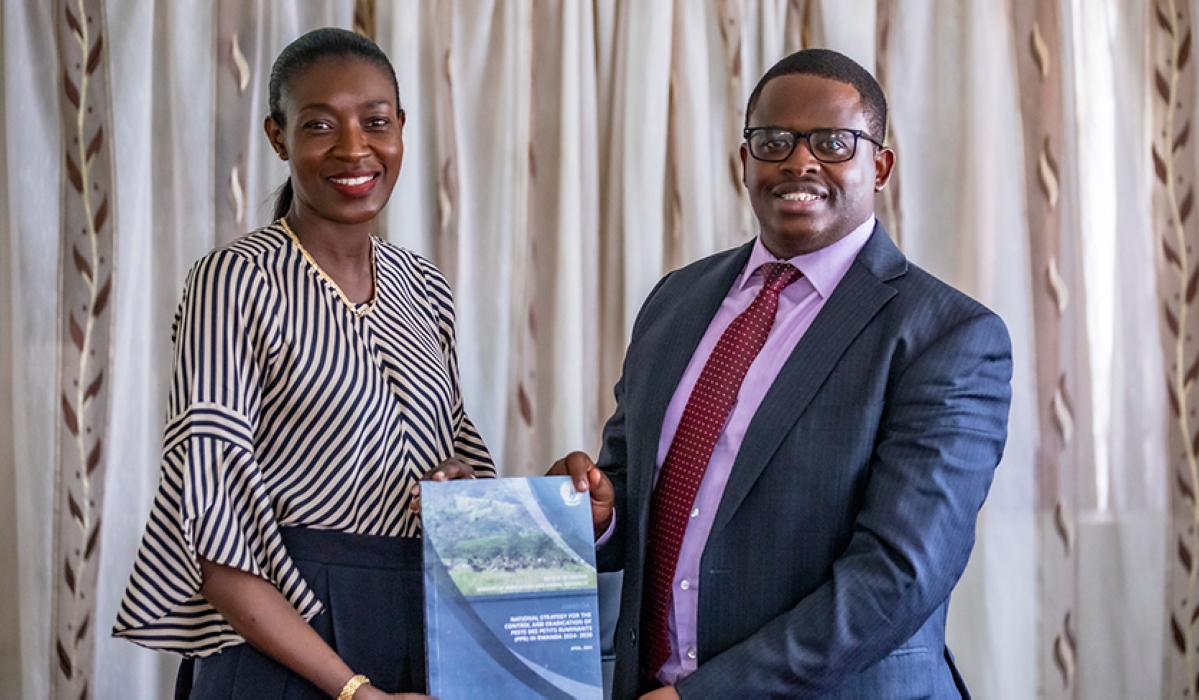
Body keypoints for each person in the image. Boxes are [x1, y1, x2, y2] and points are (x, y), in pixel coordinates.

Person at [552, 48, 1012, 699]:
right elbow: (638, 497)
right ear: (745, 161)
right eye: (773, 141)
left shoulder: (948, 335)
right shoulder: (674, 301)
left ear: (877, 165)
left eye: (833, 142)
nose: (800, 161)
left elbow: (898, 575)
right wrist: (596, 516)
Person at [113, 28, 493, 700]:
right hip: (282, 648)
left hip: (422, 633)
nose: (353, 148)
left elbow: (461, 459)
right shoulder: (234, 281)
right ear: (277, 137)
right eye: (319, 125)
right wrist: (352, 690)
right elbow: (211, 527)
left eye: (375, 122)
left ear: (401, 127)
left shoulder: (423, 284)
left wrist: (455, 483)